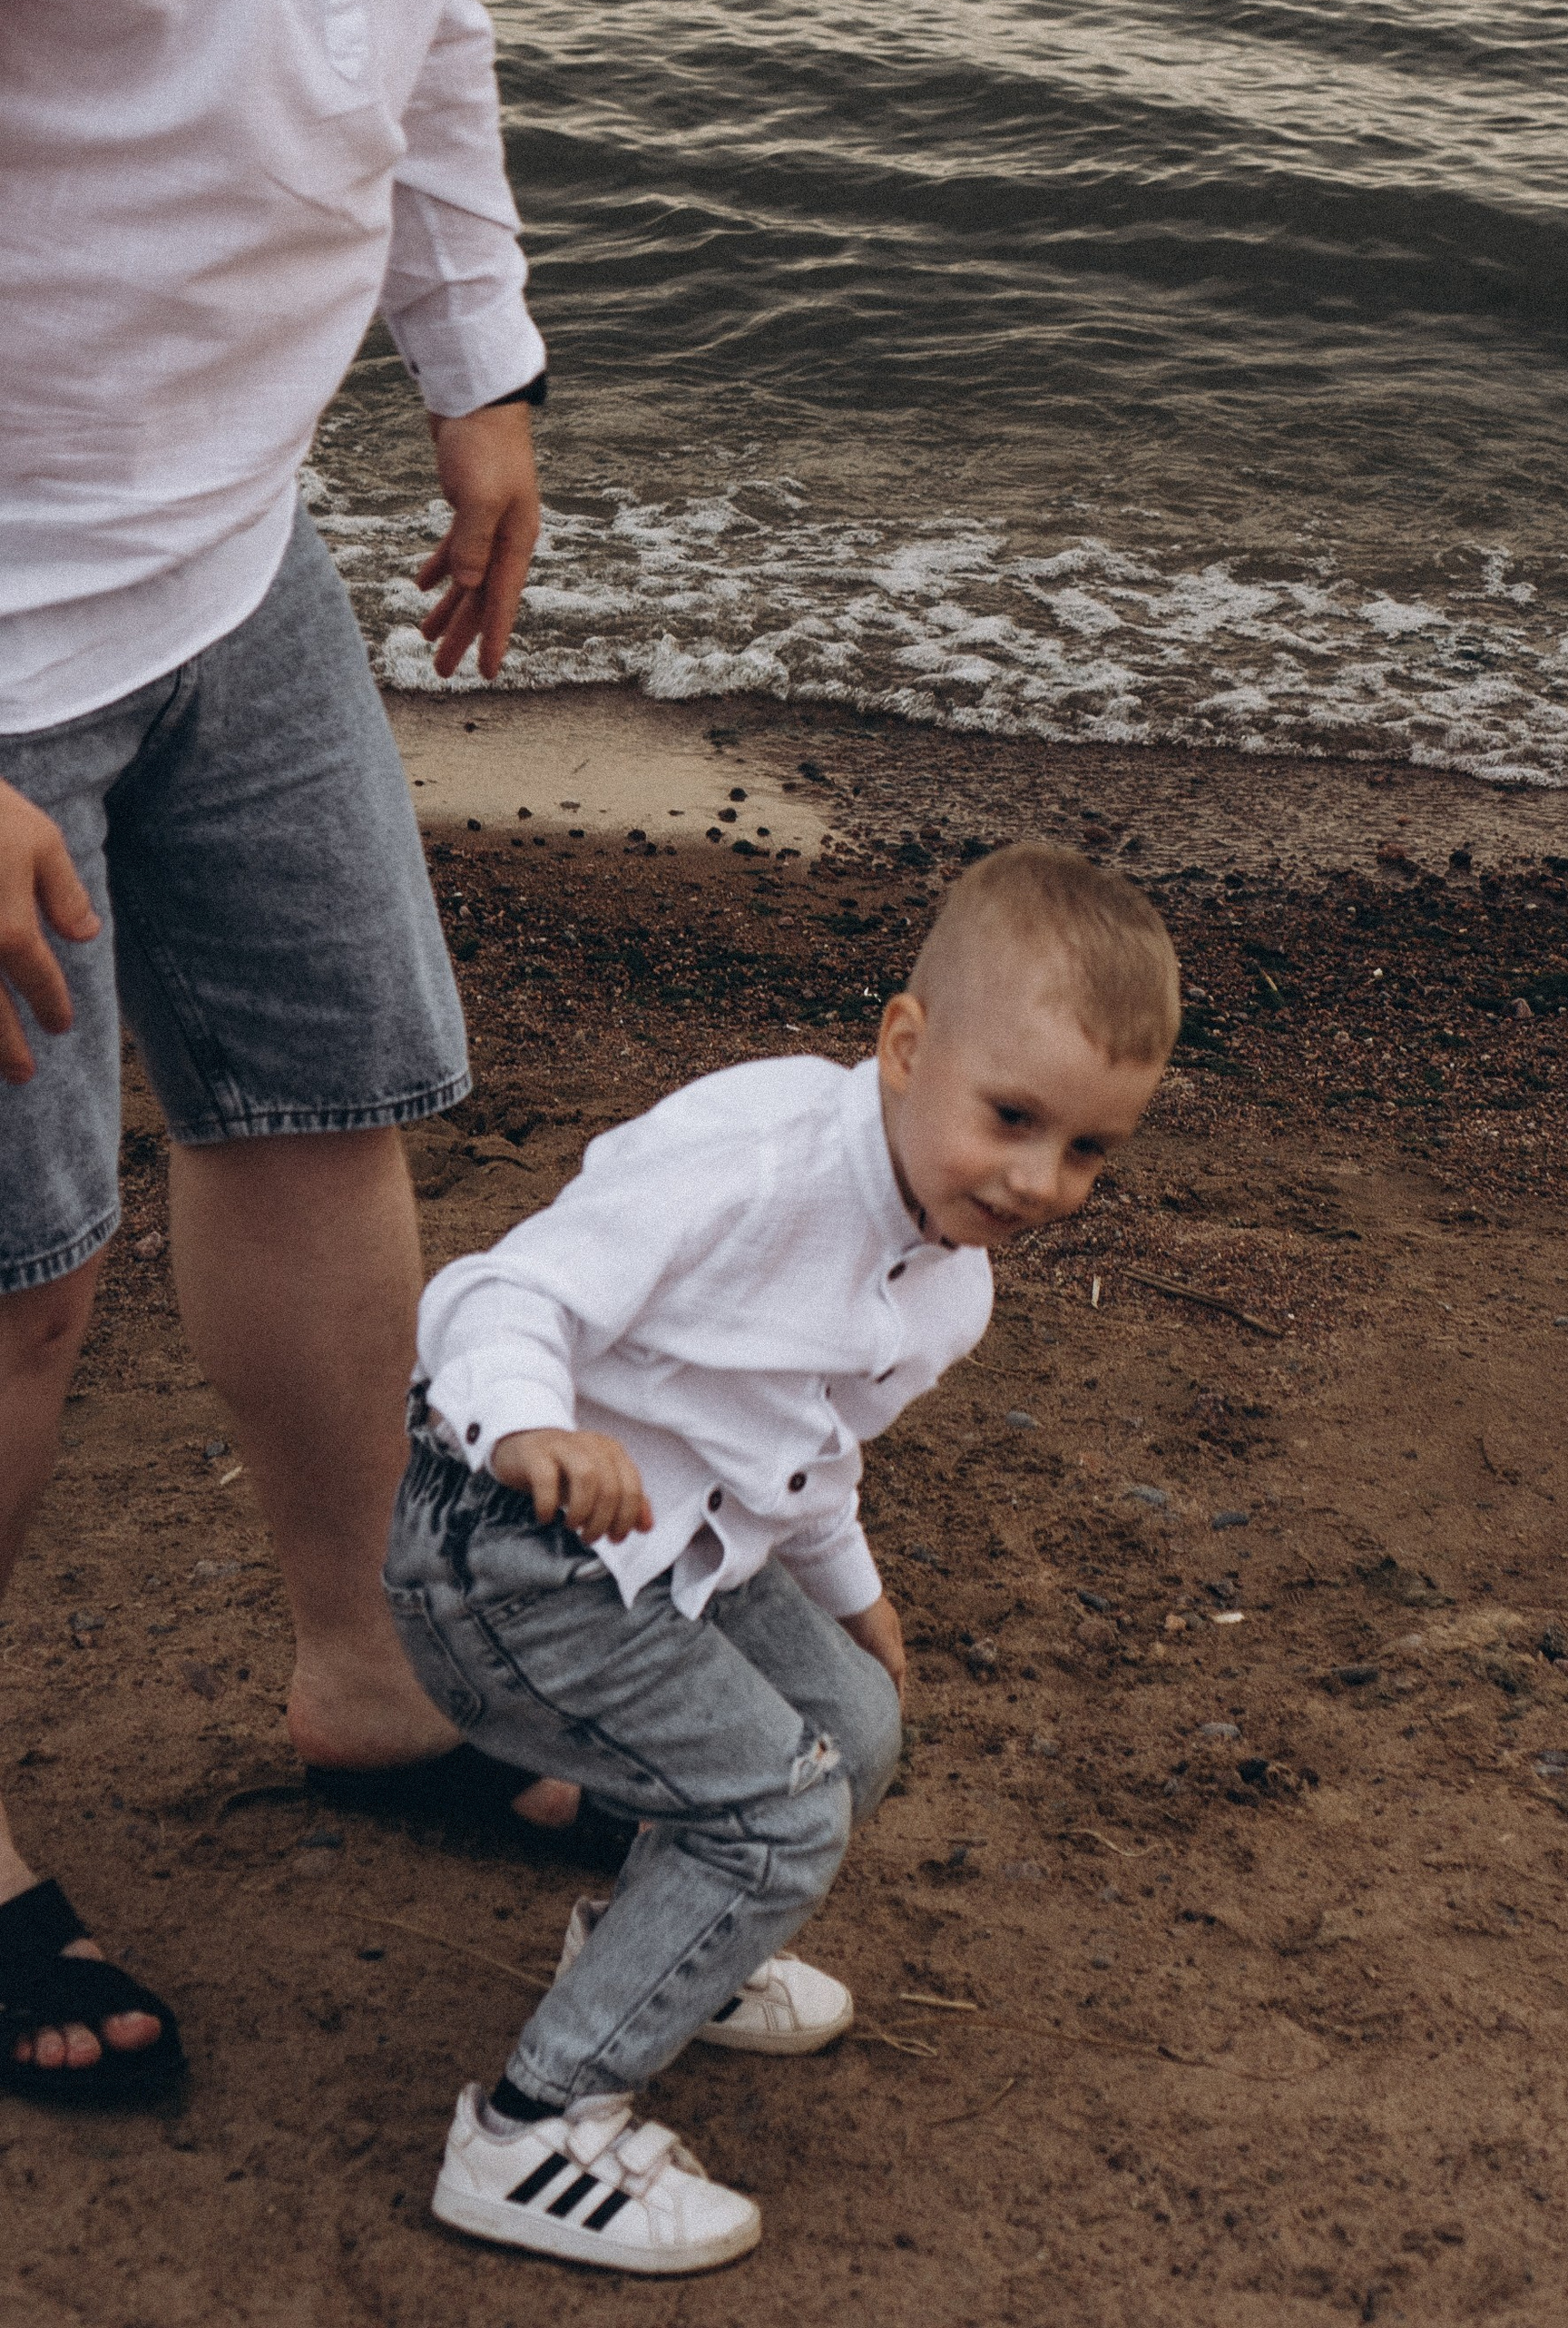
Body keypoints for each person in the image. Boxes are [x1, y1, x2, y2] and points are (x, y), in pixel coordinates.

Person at [0, 0, 588, 2106]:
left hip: (229, 553)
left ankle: (360, 1674)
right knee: (16, 1266)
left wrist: (474, 354)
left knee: (335, 1101)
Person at [391, 844, 1179, 2274]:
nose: (1038, 1181)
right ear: (906, 1047)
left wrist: (854, 1595)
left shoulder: (949, 1285)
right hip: (511, 1549)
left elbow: (802, 1447)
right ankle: (529, 2129)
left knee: (854, 1724)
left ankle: (658, 1946)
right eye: (1012, 1118)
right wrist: (529, 1428)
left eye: (1088, 1149)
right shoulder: (752, 1156)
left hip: (681, 1551)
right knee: (780, 1813)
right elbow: (505, 1292)